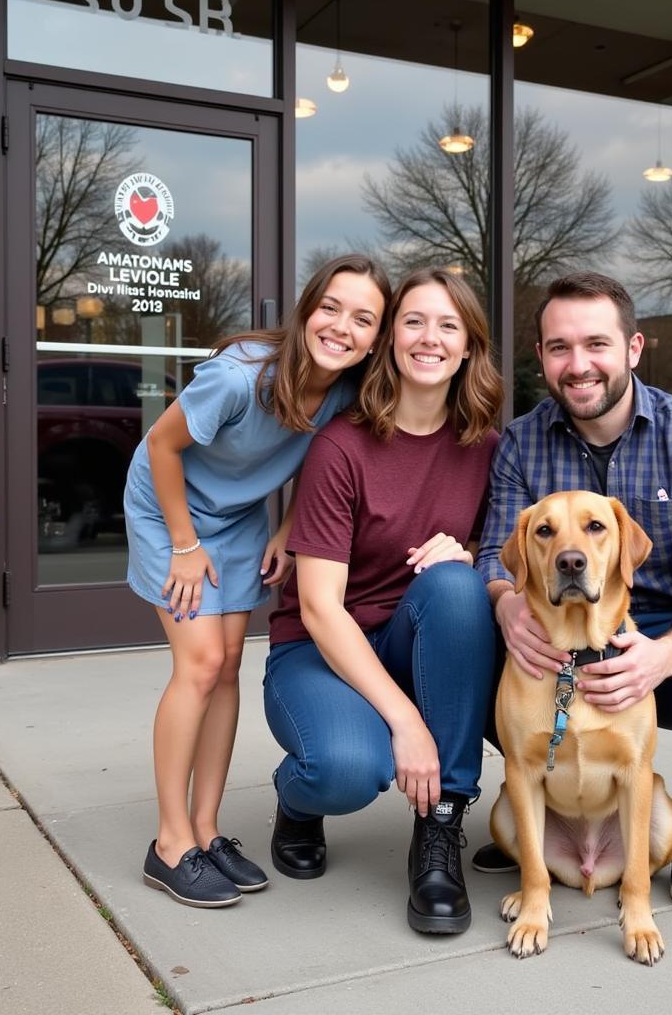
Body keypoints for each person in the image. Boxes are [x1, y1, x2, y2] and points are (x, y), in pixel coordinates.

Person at [474, 271, 672, 907]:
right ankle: (534, 819)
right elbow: (494, 553)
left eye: (596, 343)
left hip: (671, 631)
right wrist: (507, 601)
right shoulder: (521, 440)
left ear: (633, 348)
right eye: (560, 347)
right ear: (541, 356)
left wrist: (664, 654)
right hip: (555, 636)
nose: (579, 363)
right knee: (463, 644)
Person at [125, 254, 391, 908]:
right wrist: (184, 546)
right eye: (331, 307)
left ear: (376, 338)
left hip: (239, 517)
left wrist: (290, 529)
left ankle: (207, 831)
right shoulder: (239, 376)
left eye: (363, 319)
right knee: (201, 661)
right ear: (307, 310)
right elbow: (162, 446)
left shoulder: (344, 391)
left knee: (227, 669)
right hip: (171, 512)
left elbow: (321, 462)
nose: (341, 327)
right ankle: (168, 843)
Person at [263, 268, 503, 934]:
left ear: (468, 347)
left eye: (448, 325)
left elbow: (512, 550)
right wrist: (406, 721)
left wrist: (474, 554)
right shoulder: (342, 444)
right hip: (320, 650)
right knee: (345, 772)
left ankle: (439, 824)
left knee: (458, 585)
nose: (430, 338)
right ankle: (296, 798)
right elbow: (317, 607)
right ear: (390, 338)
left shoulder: (487, 447)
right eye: (414, 321)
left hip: (415, 641)